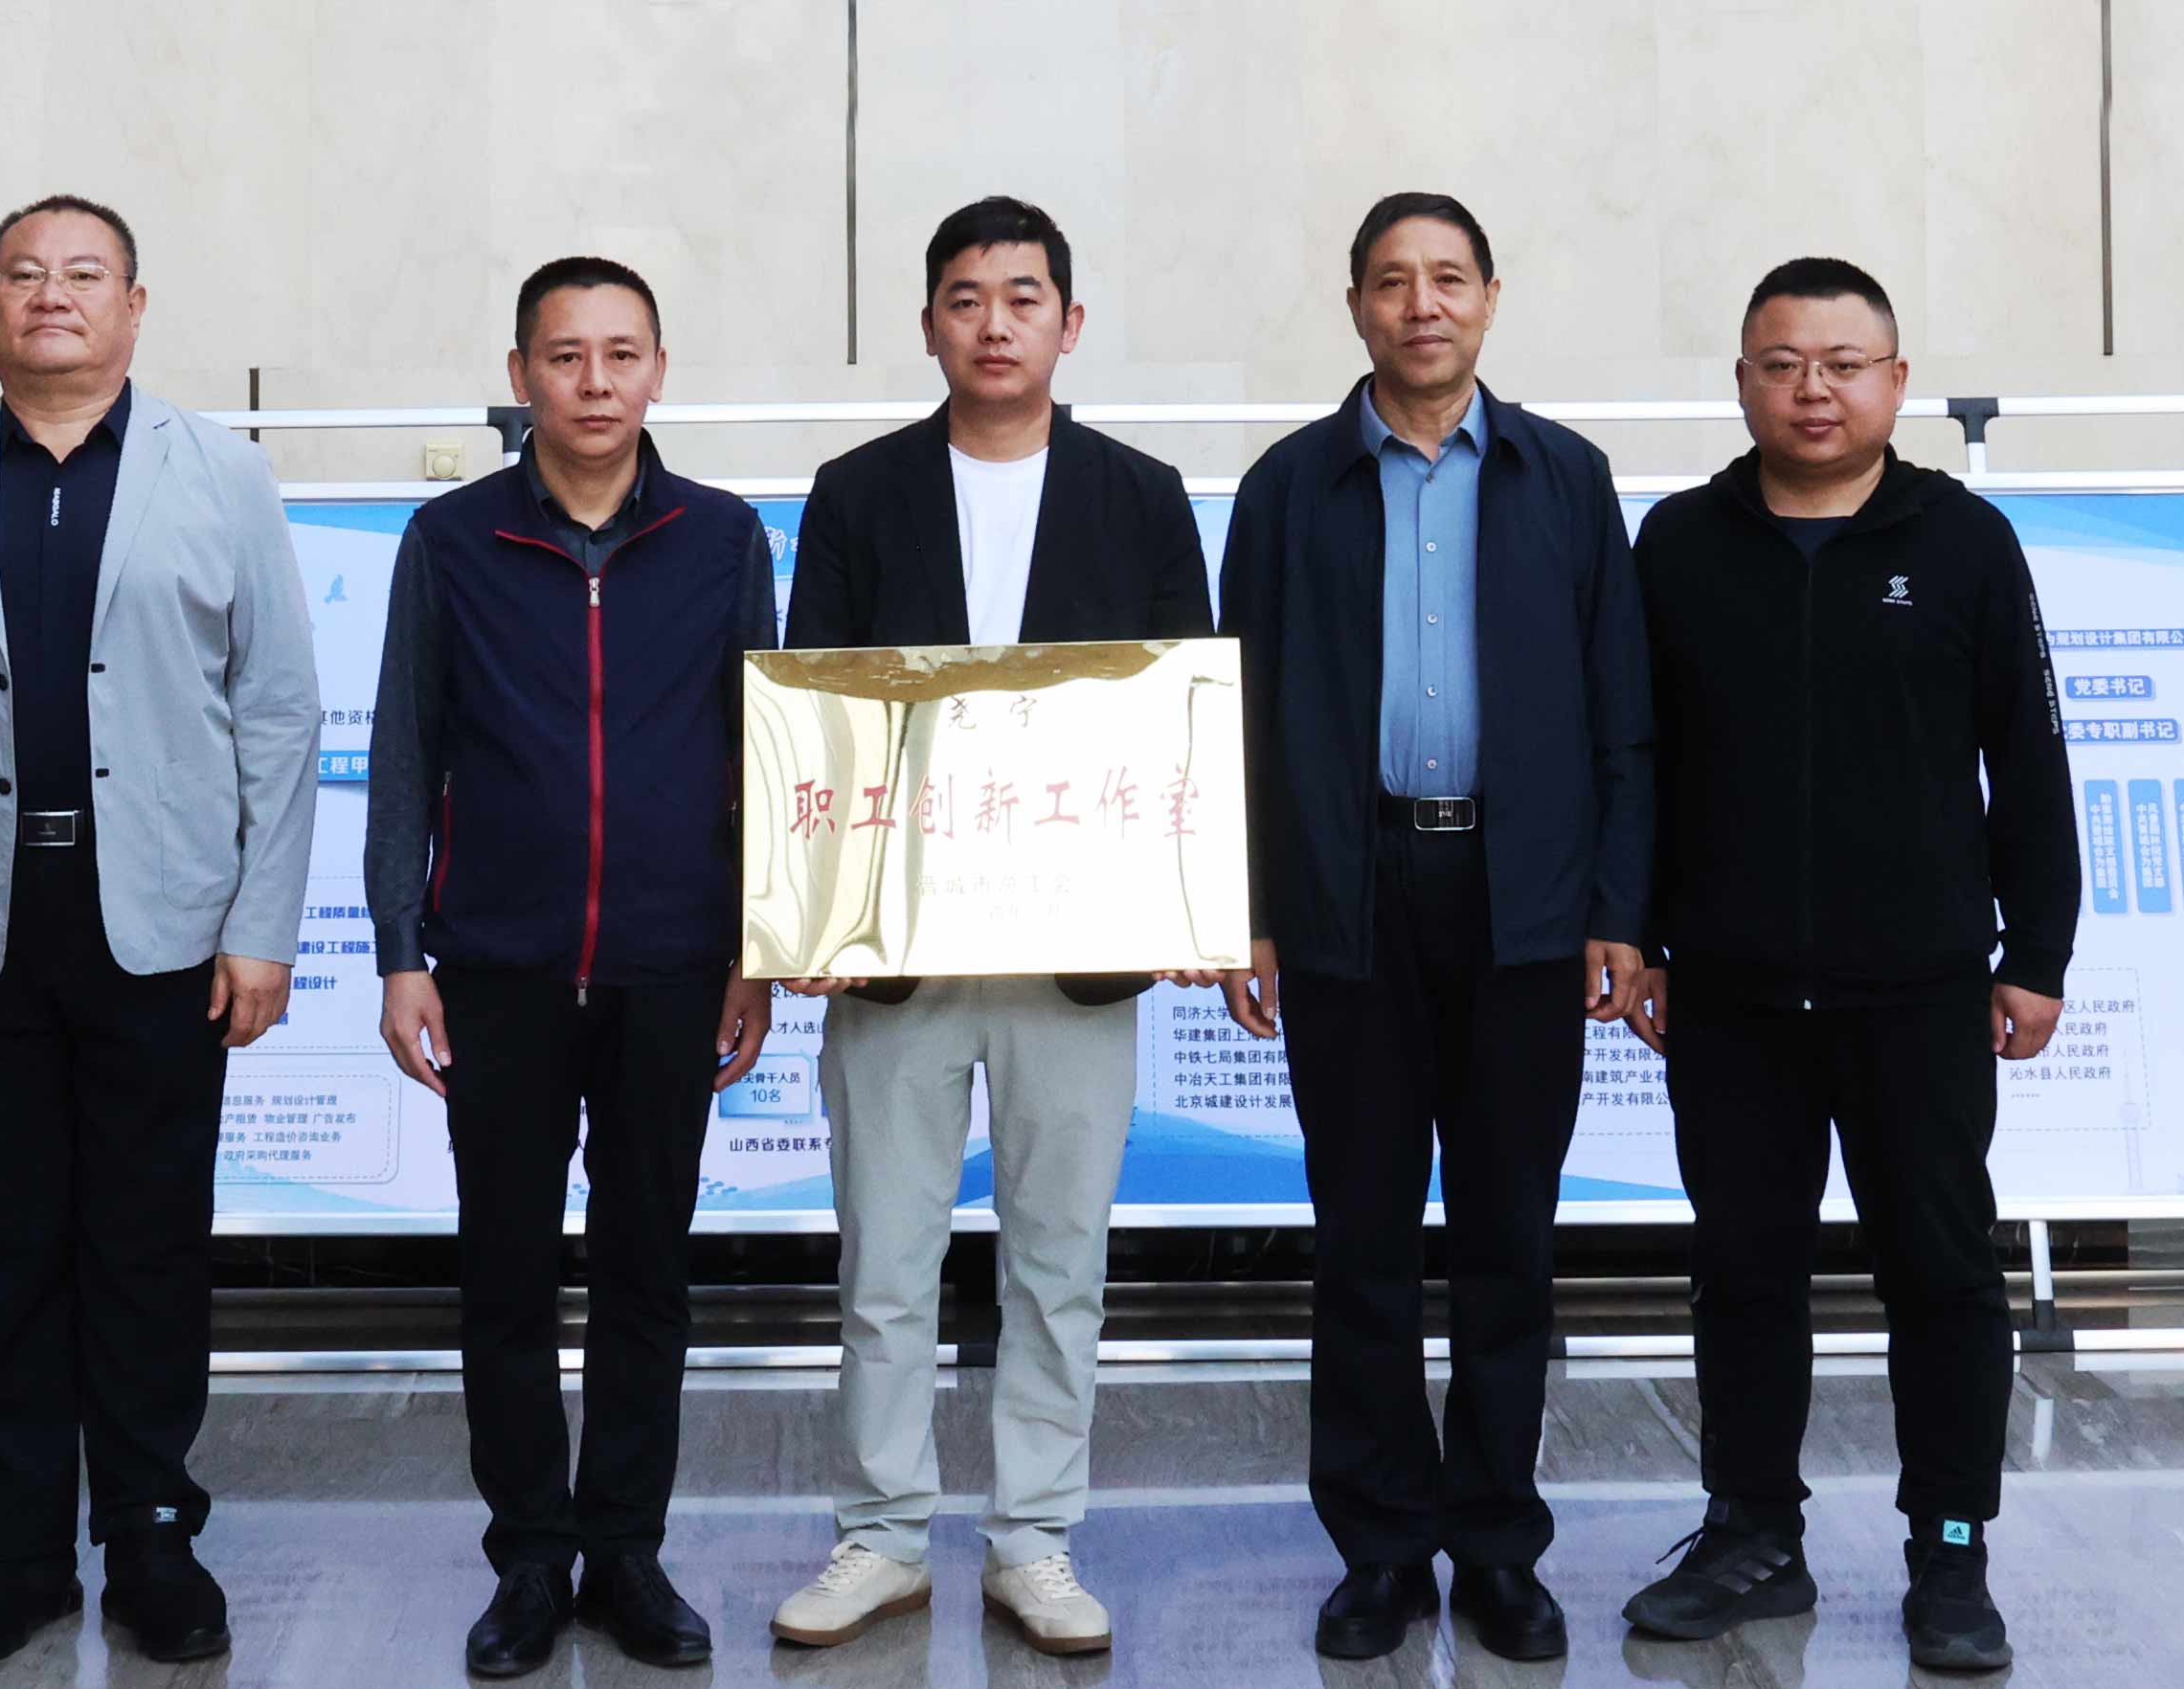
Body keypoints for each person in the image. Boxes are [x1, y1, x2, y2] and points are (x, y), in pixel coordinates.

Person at [0, 192, 321, 1666]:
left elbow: (280, 715)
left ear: (134, 307)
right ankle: (18, 1552)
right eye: (25, 273)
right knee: (2, 1253)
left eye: (84, 273)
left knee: (147, 1248)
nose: (54, 294)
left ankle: (154, 1541)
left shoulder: (220, 474)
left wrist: (264, 923)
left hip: (161, 928)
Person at [765, 195, 1212, 1659]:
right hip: (896, 951)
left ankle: (1036, 1539)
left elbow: (1187, 717)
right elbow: (819, 716)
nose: (996, 323)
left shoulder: (1140, 497)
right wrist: (806, 918)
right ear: (930, 324)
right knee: (885, 1265)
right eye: (967, 299)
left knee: (1057, 1266)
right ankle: (883, 1535)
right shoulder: (858, 492)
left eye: (1024, 298)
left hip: (1074, 958)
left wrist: (1198, 899)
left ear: (1068, 323)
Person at [1619, 257, 2077, 1674]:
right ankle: (1753, 1531)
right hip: (1730, 992)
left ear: (1894, 379)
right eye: (1782, 364)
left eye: (1842, 364)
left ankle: (1951, 1549)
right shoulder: (1680, 544)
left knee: (1942, 1273)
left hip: (1921, 989)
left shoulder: (1965, 541)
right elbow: (1636, 761)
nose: (1812, 391)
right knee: (1742, 1272)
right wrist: (1636, 933)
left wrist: (2037, 951)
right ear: (1742, 380)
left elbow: (2031, 760)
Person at [1216, 191, 1652, 1662]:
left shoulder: (1564, 478)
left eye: (1449, 278)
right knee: (1363, 1239)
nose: (1422, 306)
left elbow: (1622, 710)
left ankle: (1499, 1544)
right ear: (1355, 304)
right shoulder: (1288, 488)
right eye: (1394, 282)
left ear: (1490, 298)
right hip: (1348, 897)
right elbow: (1237, 716)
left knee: (1509, 1239)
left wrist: (1618, 909)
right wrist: (1249, 909)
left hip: (1522, 900)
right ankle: (1384, 1549)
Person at [365, 256, 776, 1678]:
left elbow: (760, 755)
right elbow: (407, 754)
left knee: (650, 1271)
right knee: (507, 1275)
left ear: (659, 370)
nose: (595, 383)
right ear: (521, 373)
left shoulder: (722, 539)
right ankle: (532, 1557)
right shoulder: (453, 538)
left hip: (674, 964)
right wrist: (402, 952)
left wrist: (758, 946)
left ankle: (630, 1550)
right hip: (501, 966)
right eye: (565, 356)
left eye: (621, 354)